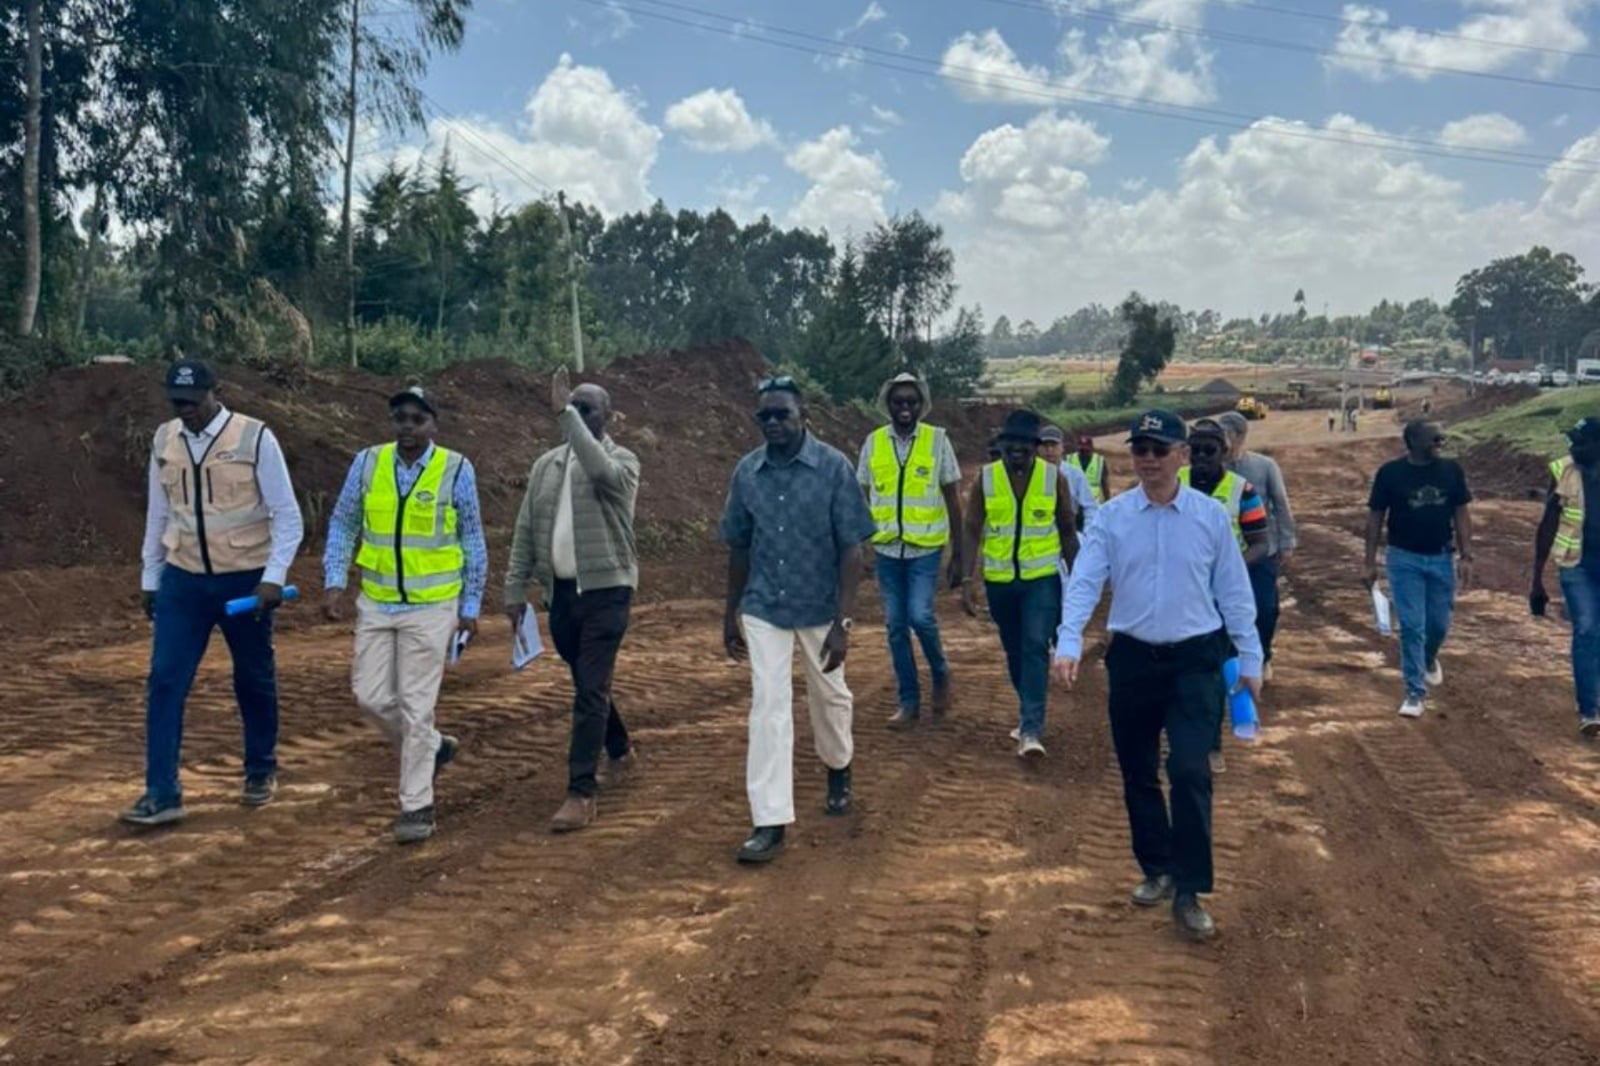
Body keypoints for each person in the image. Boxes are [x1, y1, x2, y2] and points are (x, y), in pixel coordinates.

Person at [1052, 409, 1262, 942]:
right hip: (1133, 661)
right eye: (1139, 449)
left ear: (1182, 455)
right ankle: (1157, 867)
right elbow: (1084, 581)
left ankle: (1190, 890)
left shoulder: (1210, 518)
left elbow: (1236, 591)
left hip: (1195, 660)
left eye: (1158, 449)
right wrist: (1070, 639)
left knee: (1191, 771)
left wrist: (1251, 658)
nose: (1147, 459)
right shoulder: (1113, 517)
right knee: (1138, 772)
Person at [121, 359, 305, 827]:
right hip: (182, 581)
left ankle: (260, 769)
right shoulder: (165, 441)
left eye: (192, 402)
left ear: (214, 393)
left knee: (252, 677)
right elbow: (158, 516)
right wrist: (150, 578)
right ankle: (162, 792)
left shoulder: (255, 438)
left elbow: (288, 515)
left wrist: (273, 576)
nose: (185, 411)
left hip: (245, 579)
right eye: (177, 402)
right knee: (164, 681)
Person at [721, 377, 876, 865]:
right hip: (765, 604)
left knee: (829, 695)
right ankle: (769, 820)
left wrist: (843, 623)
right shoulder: (747, 473)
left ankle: (838, 767)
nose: (772, 423)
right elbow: (739, 547)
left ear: (802, 415)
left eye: (781, 414)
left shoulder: (833, 467)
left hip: (820, 606)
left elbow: (853, 549)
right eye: (764, 416)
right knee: (768, 705)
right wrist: (730, 612)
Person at [322, 386, 486, 844]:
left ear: (434, 424)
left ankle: (417, 806)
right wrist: (335, 578)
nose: (408, 428)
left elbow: (472, 538)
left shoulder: (455, 468)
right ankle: (433, 747)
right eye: (401, 419)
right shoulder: (368, 463)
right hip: (376, 601)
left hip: (433, 606)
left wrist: (470, 605)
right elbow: (344, 521)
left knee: (417, 706)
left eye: (418, 419)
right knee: (370, 697)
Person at [505, 369, 642, 833]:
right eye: (575, 406)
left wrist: (566, 415)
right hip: (560, 595)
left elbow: (601, 473)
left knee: (588, 688)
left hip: (608, 592)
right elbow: (526, 527)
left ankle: (581, 792)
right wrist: (514, 589)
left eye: (588, 408)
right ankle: (618, 742)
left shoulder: (622, 459)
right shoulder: (547, 465)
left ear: (609, 415)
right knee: (588, 681)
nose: (580, 414)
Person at [960, 410, 1079, 757]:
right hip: (999, 581)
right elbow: (971, 529)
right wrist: (967, 578)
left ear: (1036, 447)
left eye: (1025, 444)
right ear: (1002, 445)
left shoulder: (1053, 479)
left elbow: (1068, 532)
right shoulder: (987, 478)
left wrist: (1082, 582)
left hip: (1041, 580)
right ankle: (1029, 705)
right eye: (1011, 443)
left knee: (1033, 646)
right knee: (1014, 649)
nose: (1017, 450)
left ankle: (1031, 728)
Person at [857, 373, 963, 730]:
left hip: (925, 548)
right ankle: (909, 701)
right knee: (894, 626)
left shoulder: (937, 442)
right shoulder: (873, 443)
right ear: (888, 405)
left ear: (921, 405)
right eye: (899, 402)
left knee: (919, 616)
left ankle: (940, 671)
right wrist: (859, 546)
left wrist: (960, 554)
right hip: (887, 550)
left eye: (911, 402)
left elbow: (953, 498)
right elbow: (863, 495)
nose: (905, 408)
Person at [1364, 420, 1473, 718]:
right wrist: (1369, 562)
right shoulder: (1390, 474)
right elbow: (1375, 518)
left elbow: (1461, 513)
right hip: (1403, 559)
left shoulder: (1452, 471)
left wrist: (1466, 556)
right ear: (1413, 442)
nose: (1439, 443)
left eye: (1441, 438)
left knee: (1438, 624)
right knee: (1412, 626)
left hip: (1441, 558)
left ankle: (1427, 659)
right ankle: (1414, 692)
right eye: (1433, 439)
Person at [1178, 418, 1268, 775]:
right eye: (1194, 450)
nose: (1201, 456)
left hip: (1221, 599)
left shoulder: (1242, 491)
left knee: (1214, 672)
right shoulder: (1173, 484)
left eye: (1209, 450)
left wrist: (1230, 569)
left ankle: (1212, 745)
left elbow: (1261, 542)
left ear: (1224, 451)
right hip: (1179, 596)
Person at [1529, 417, 1600, 738]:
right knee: (1585, 629)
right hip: (1577, 566)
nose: (1574, 448)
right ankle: (1589, 710)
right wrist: (1537, 578)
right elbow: (1547, 524)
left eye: (1581, 443)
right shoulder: (1563, 471)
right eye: (1573, 442)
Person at [1217, 411, 1298, 681]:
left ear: (1240, 437)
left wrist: (1286, 543)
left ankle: (1263, 655)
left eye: (1228, 437)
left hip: (1261, 552)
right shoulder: (1210, 470)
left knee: (1264, 608)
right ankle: (1228, 661)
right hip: (1222, 555)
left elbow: (1281, 505)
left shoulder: (1264, 466)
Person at [1040, 425, 1100, 532]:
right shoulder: (1031, 474)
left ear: (1062, 447)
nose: (1049, 450)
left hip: (1069, 530)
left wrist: (1086, 534)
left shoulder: (1075, 475)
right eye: (1045, 446)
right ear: (1038, 448)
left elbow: (1090, 507)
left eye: (1054, 445)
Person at [1070, 432, 1110, 503]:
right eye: (1082, 450)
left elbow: (1105, 484)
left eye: (1086, 450)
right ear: (1078, 448)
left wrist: (1108, 503)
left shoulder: (1099, 461)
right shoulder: (1069, 459)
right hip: (1073, 503)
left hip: (1093, 503)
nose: (1084, 452)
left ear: (1092, 448)